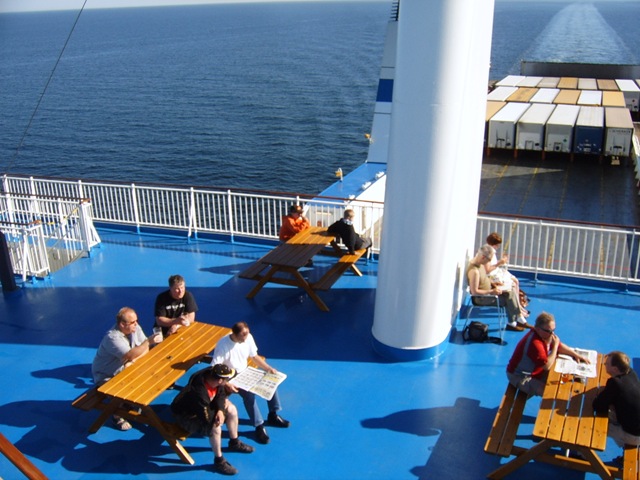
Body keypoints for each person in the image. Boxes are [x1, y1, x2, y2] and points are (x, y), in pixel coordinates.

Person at [211, 321, 289, 445]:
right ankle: (259, 426)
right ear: (234, 334)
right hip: (231, 377)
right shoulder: (223, 345)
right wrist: (226, 383)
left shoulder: (247, 337)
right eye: (242, 336)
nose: (245, 338)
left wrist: (268, 369)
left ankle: (273, 414)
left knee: (270, 383)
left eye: (246, 335)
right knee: (249, 395)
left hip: (245, 371)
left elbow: (254, 356)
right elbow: (215, 367)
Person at [171, 364, 254, 475]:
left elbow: (221, 393)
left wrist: (220, 410)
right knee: (215, 428)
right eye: (227, 379)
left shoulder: (212, 375)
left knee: (232, 410)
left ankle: (234, 442)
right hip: (187, 415)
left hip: (205, 405)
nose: (228, 381)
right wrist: (219, 416)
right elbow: (206, 419)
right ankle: (219, 460)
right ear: (220, 380)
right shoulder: (199, 393)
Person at [92, 307, 162, 430]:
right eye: (133, 322)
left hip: (126, 368)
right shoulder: (112, 338)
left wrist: (134, 358)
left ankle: (129, 404)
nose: (136, 324)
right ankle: (117, 415)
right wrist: (147, 343)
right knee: (129, 385)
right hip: (107, 376)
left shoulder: (134, 327)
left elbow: (143, 351)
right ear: (122, 324)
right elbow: (131, 354)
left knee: (151, 375)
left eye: (136, 321)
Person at [506, 312, 589, 397]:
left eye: (553, 330)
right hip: (520, 376)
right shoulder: (535, 343)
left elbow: (559, 346)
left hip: (536, 370)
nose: (552, 334)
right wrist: (555, 346)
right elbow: (547, 366)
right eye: (549, 331)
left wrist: (575, 355)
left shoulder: (545, 335)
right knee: (550, 393)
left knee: (564, 377)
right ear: (538, 329)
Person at [593, 351, 640, 464]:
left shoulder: (615, 383)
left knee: (593, 426)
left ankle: (583, 455)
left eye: (607, 364)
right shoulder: (631, 372)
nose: (604, 365)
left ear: (614, 369)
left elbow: (598, 406)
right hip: (636, 425)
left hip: (633, 435)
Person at [467, 244, 526, 331]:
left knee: (510, 290)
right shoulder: (474, 271)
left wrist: (494, 284)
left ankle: (515, 319)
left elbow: (483, 280)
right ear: (483, 257)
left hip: (489, 291)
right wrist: (492, 291)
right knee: (508, 299)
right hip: (482, 298)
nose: (488, 263)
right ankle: (515, 320)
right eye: (488, 260)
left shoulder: (480, 265)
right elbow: (474, 292)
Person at [484, 232, 528, 318]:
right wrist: (500, 263)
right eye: (497, 245)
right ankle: (518, 309)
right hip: (492, 277)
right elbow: (487, 270)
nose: (498, 247)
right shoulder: (488, 253)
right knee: (513, 285)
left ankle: (519, 306)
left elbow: (491, 265)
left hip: (496, 273)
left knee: (516, 281)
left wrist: (500, 262)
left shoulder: (490, 251)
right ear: (494, 244)